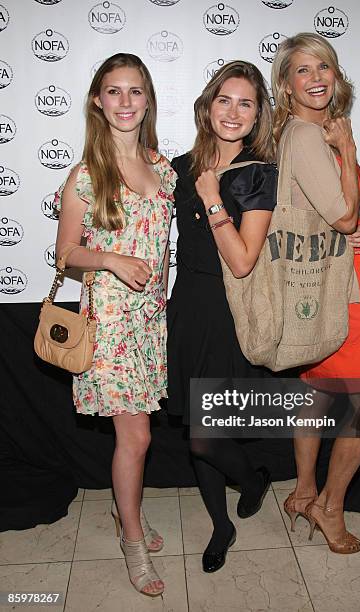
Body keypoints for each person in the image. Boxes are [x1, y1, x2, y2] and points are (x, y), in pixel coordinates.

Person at [54, 53, 176, 596]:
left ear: (147, 100)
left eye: (135, 91)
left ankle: (126, 510)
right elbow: (65, 255)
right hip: (108, 324)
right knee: (137, 435)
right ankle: (132, 539)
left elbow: (164, 246)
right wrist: (111, 260)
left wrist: (162, 291)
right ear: (98, 102)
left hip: (150, 325)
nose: (125, 102)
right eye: (114, 91)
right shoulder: (85, 175)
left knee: (137, 439)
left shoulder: (163, 167)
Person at [271, 33, 360, 553]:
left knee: (316, 392)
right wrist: (347, 150)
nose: (316, 76)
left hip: (337, 279)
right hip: (341, 291)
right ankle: (329, 506)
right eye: (302, 69)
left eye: (324, 66)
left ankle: (303, 491)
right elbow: (342, 216)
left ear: (337, 75)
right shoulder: (306, 135)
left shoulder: (317, 129)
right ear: (286, 84)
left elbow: (349, 217)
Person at [167, 60, 277, 572]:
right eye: (224, 100)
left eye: (246, 103)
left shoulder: (258, 174)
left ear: (258, 116)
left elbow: (241, 259)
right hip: (186, 307)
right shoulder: (178, 166)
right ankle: (221, 525)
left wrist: (214, 200)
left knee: (205, 432)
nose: (233, 112)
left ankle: (253, 480)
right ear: (207, 106)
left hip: (229, 310)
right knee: (197, 424)